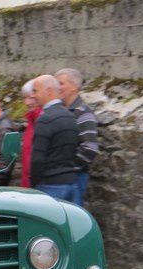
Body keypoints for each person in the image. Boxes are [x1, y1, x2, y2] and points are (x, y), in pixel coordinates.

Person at [30, 74, 80, 202]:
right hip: (72, 184)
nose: (33, 95)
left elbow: (37, 159)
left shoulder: (45, 119)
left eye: (35, 91)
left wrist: (33, 186)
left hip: (50, 186)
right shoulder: (71, 116)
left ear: (49, 91)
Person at [55, 68, 99, 206]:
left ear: (74, 87)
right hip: (59, 177)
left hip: (74, 178)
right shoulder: (59, 111)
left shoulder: (83, 113)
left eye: (61, 83)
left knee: (72, 221)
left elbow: (90, 148)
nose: (57, 87)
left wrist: (65, 167)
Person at [19, 79, 42, 188]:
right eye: (25, 98)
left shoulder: (43, 120)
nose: (27, 102)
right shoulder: (31, 121)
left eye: (31, 97)